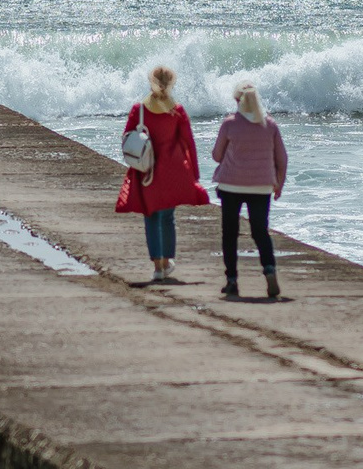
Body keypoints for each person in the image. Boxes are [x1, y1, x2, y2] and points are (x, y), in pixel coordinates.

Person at [114, 65, 209, 283]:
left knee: (151, 216)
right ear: (171, 83)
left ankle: (157, 266)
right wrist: (193, 173)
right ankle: (167, 262)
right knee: (168, 217)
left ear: (151, 82)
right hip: (173, 170)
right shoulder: (177, 110)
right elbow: (188, 142)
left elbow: (127, 137)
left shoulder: (139, 109)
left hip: (147, 170)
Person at [210, 81, 287, 301]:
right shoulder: (269, 125)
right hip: (261, 186)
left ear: (237, 100)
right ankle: (270, 270)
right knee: (260, 231)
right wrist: (279, 183)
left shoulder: (230, 124)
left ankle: (232, 280)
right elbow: (282, 159)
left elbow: (217, 156)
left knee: (230, 233)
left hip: (231, 185)